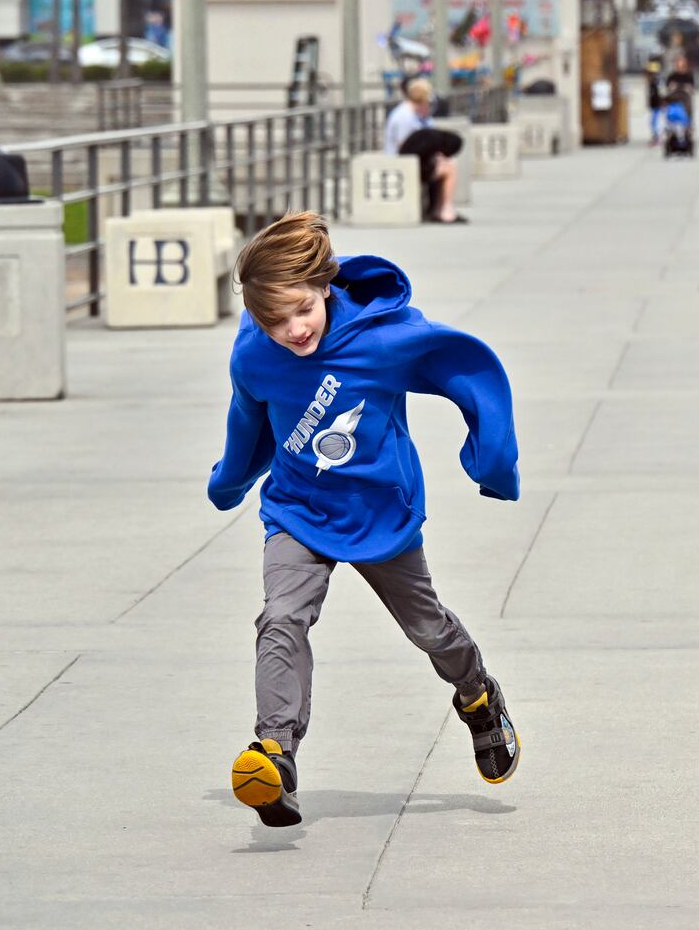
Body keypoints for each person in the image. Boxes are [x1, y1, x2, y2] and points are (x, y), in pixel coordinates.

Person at [210, 212, 522, 828]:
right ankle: (275, 756)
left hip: (381, 514)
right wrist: (229, 478)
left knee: (429, 630)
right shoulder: (254, 355)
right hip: (297, 511)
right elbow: (249, 421)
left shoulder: (381, 338)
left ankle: (478, 694)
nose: (292, 330)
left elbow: (465, 369)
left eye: (301, 310)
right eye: (273, 321)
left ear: (323, 285)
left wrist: (492, 458)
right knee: (280, 618)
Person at [384, 78, 464, 224]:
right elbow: (405, 149)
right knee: (449, 168)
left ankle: (440, 208)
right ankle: (445, 210)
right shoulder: (404, 117)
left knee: (447, 162)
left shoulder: (416, 113)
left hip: (413, 161)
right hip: (402, 165)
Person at [644, 58, 664, 146]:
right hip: (654, 104)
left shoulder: (656, 81)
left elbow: (660, 93)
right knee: (653, 122)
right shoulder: (654, 81)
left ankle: (657, 138)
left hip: (657, 104)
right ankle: (656, 137)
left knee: (655, 122)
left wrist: (662, 102)